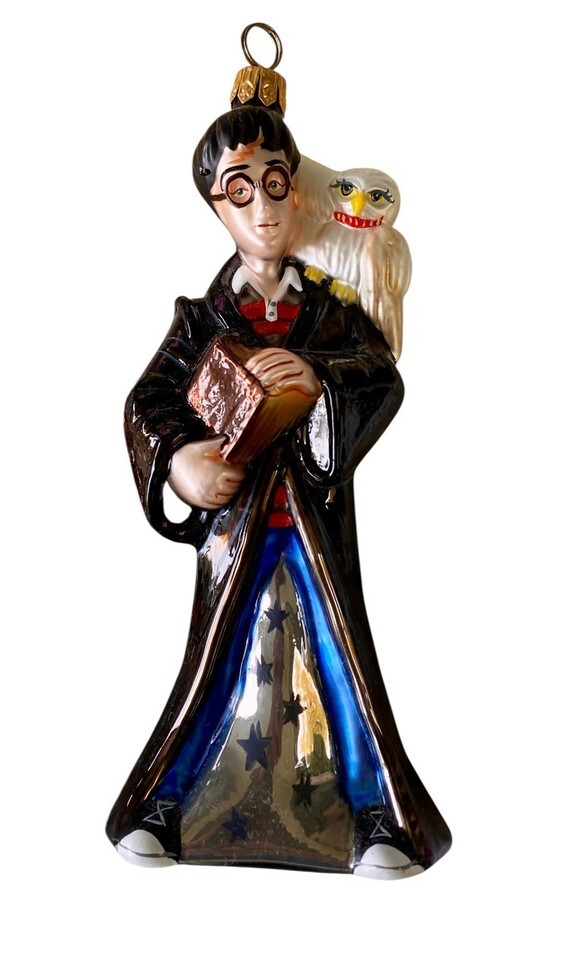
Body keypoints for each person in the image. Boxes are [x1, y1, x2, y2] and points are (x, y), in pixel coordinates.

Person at [106, 104, 451, 879]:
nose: (261, 208)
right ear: (215, 206)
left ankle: (376, 812)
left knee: (342, 662)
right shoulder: (202, 319)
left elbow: (382, 377)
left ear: (298, 191)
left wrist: (320, 380)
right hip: (237, 528)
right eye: (239, 190)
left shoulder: (332, 311)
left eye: (274, 184)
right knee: (213, 664)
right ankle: (164, 802)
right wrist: (182, 458)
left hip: (314, 526)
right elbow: (146, 402)